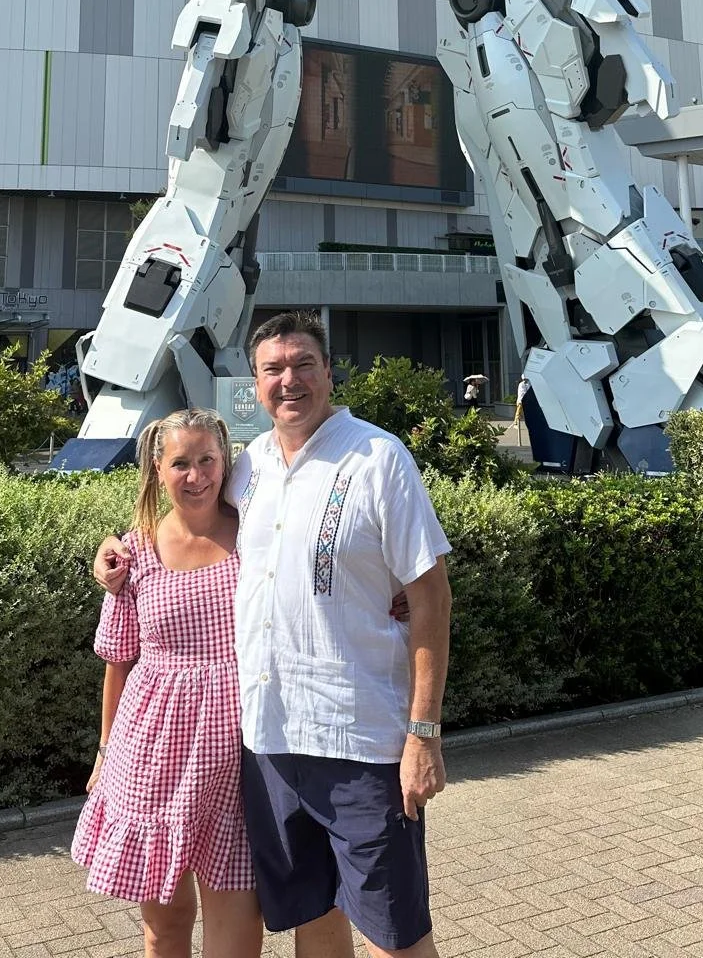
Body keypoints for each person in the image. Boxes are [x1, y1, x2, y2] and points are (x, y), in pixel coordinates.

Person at [96, 310, 452, 958]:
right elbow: (184, 502)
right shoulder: (249, 468)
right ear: (256, 384)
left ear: (328, 372)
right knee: (313, 918)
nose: (289, 380)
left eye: (303, 364)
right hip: (269, 746)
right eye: (273, 369)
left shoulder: (378, 459)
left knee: (395, 933)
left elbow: (431, 597)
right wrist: (116, 549)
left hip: (361, 744)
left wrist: (423, 733)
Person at [73, 407, 262, 958]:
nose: (196, 475)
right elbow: (118, 662)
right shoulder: (134, 552)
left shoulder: (259, 537)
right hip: (153, 752)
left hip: (240, 749)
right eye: (181, 462)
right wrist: (105, 751)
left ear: (227, 462)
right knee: (165, 923)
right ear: (158, 469)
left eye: (208, 459)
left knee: (238, 922)